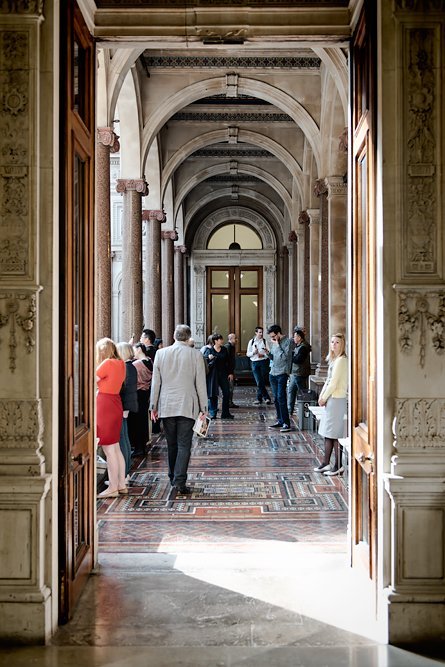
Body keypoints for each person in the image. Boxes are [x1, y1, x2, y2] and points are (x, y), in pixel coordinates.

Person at [150, 324, 208, 495]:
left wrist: (153, 406)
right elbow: (200, 384)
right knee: (184, 445)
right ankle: (179, 481)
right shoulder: (195, 355)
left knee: (172, 444)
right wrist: (204, 407)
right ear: (188, 337)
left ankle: (172, 476)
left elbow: (156, 383)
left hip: (167, 405)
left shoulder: (161, 353)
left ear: (174, 336)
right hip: (187, 405)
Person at [96, 338, 127, 498]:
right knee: (115, 447)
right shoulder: (121, 363)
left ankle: (113, 487)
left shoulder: (107, 363)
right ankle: (121, 483)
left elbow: (92, 378)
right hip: (115, 402)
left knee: (108, 449)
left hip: (105, 404)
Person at [314, 333, 348, 476]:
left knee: (334, 433)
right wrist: (322, 396)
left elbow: (333, 383)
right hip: (332, 399)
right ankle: (326, 462)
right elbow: (328, 380)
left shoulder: (342, 360)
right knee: (329, 433)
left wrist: (324, 397)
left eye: (337, 342)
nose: (334, 345)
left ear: (343, 344)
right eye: (332, 342)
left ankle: (338, 465)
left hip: (337, 399)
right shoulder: (334, 360)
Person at [116, 342, 138, 479]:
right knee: (125, 437)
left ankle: (124, 472)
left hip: (123, 405)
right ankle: (126, 468)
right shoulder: (131, 366)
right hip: (127, 405)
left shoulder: (125, 367)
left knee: (122, 438)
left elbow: (123, 389)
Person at [267, 324, 293, 432]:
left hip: (282, 373)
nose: (272, 339)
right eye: (271, 337)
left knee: (281, 397)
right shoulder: (274, 342)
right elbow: (274, 357)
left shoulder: (288, 342)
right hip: (273, 373)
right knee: (276, 399)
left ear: (278, 333)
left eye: (273, 336)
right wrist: (268, 353)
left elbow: (284, 358)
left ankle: (286, 423)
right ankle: (280, 420)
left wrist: (277, 345)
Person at [128, 342, 153, 455]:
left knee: (136, 421)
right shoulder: (149, 361)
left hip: (137, 393)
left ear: (139, 349)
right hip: (146, 393)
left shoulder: (137, 364)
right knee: (143, 420)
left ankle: (138, 447)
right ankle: (143, 444)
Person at [203, 333, 234, 420]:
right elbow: (205, 361)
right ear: (215, 341)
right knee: (213, 394)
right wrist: (209, 358)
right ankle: (213, 413)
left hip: (223, 373)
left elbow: (228, 361)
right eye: (220, 339)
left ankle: (225, 413)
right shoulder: (209, 350)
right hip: (213, 375)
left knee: (226, 392)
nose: (222, 341)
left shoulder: (224, 349)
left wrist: (230, 373)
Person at [287, 327, 312, 416]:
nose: (294, 339)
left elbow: (299, 360)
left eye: (295, 337)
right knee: (291, 390)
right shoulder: (298, 346)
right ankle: (289, 410)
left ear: (299, 337)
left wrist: (291, 357)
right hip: (295, 373)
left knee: (302, 392)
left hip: (300, 373)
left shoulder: (303, 347)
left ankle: (304, 410)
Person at [246, 326, 272, 405]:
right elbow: (248, 354)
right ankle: (267, 398)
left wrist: (263, 355)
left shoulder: (264, 341)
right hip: (254, 363)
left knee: (262, 381)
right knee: (259, 381)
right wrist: (254, 353)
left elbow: (269, 353)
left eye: (262, 332)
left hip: (263, 362)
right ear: (256, 333)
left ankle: (259, 398)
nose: (261, 334)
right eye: (259, 332)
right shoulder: (252, 341)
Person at [225, 332, 239, 408]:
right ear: (230, 339)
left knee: (231, 388)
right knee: (229, 388)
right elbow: (227, 361)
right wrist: (230, 373)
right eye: (235, 338)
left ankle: (230, 402)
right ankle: (228, 403)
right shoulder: (228, 347)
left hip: (231, 371)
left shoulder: (232, 347)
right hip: (228, 372)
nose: (236, 340)